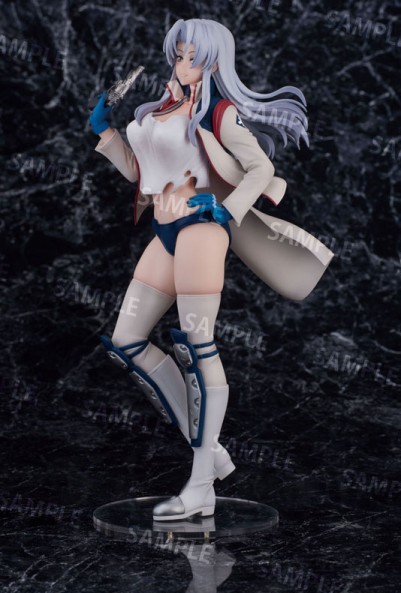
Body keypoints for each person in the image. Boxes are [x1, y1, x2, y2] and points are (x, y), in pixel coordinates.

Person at [89, 18, 334, 521]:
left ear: (213, 63)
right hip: (164, 230)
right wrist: (106, 133)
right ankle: (212, 451)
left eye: (193, 58)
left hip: (201, 229)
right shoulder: (160, 108)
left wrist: (228, 208)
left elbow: (261, 169)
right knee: (127, 341)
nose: (182, 65)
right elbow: (142, 174)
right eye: (178, 55)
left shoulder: (219, 112)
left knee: (196, 348)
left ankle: (201, 485)